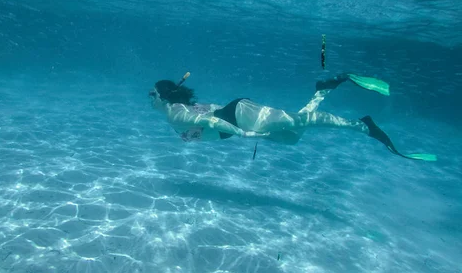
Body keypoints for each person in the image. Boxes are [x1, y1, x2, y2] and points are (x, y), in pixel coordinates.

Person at [148, 72, 436, 161]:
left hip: (242, 118)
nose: (150, 99)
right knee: (293, 137)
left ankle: (363, 126)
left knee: (300, 123)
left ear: (161, 97)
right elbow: (208, 115)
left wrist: (245, 134)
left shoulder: (174, 114)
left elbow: (210, 121)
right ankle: (322, 91)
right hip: (240, 115)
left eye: (151, 95)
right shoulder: (177, 112)